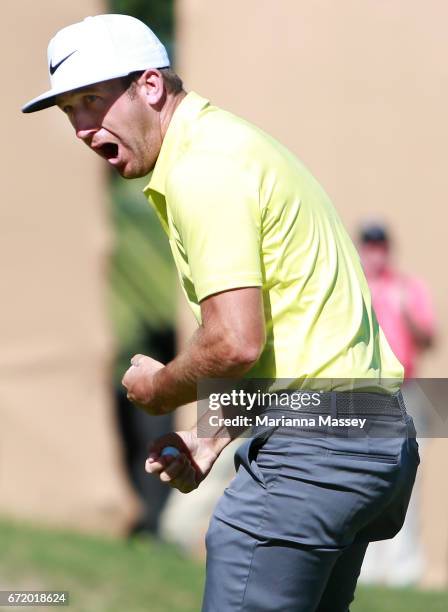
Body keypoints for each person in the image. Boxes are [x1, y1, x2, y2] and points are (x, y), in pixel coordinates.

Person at [23, 15, 420, 611]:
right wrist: (212, 438)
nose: (82, 127)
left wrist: (159, 388)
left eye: (92, 101)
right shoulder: (235, 146)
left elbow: (234, 343)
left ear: (150, 87)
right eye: (69, 111)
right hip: (373, 436)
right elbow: (302, 341)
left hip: (315, 458)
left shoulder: (203, 169)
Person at [358, 222, 435, 585]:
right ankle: (368, 565)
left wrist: (404, 313)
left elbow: (429, 338)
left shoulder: (408, 288)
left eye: (380, 245)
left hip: (406, 390)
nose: (376, 252)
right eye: (369, 245)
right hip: (365, 392)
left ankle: (405, 567)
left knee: (406, 476)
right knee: (366, 476)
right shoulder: (352, 288)